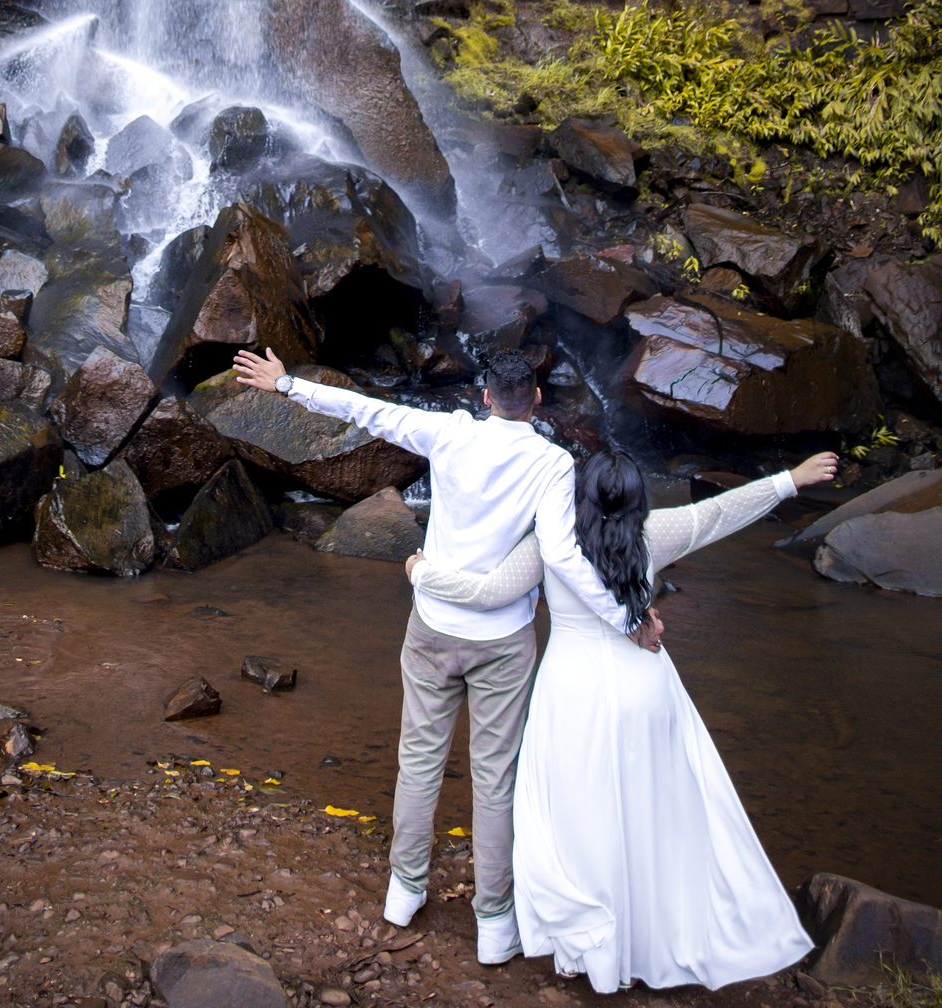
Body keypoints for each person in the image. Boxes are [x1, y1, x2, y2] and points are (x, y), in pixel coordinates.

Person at [232, 345, 660, 967]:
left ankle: (403, 893)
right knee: (494, 780)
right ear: (535, 399)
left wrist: (288, 382)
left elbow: (367, 411)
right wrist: (627, 618)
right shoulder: (552, 463)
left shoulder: (447, 433)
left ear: (484, 396)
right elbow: (564, 556)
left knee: (419, 763)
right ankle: (492, 923)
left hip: (432, 627)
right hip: (503, 643)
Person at [406, 446, 839, 992]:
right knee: (648, 815)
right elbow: (723, 512)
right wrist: (790, 480)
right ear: (639, 500)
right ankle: (644, 939)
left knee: (579, 819)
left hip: (573, 692)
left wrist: (423, 571)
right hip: (645, 689)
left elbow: (490, 592)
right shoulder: (655, 533)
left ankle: (589, 949)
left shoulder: (552, 541)